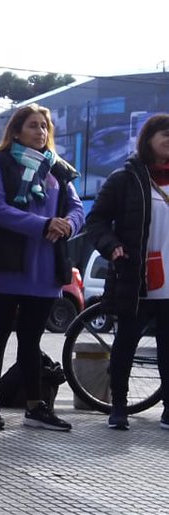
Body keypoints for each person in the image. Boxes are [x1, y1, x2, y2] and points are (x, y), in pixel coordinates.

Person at [0, 103, 84, 432]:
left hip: (45, 267)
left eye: (44, 127)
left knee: (31, 339)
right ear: (17, 130)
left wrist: (66, 225)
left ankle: (36, 406)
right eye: (33, 126)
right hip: (5, 264)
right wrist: (43, 224)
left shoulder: (58, 170)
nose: (41, 132)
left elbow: (78, 209)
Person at [86, 113, 169, 430]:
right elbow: (96, 221)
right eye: (165, 133)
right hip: (138, 276)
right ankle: (118, 405)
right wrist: (112, 246)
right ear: (148, 138)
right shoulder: (125, 178)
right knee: (126, 343)